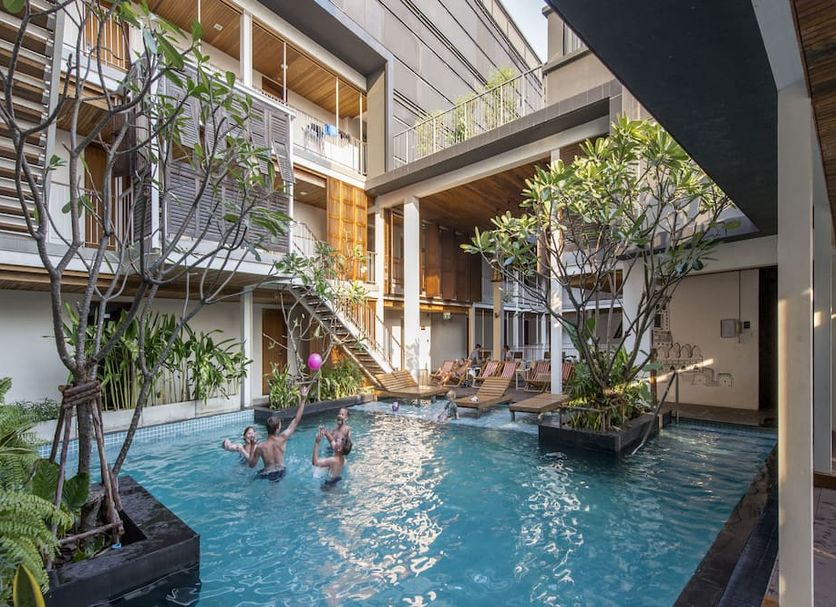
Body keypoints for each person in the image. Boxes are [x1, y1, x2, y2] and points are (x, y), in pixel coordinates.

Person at [230, 385, 308, 481]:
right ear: (278, 428)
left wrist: (253, 446)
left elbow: (251, 465)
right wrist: (303, 400)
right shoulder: (282, 439)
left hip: (267, 473)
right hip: (281, 471)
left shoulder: (260, 447)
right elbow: (296, 421)